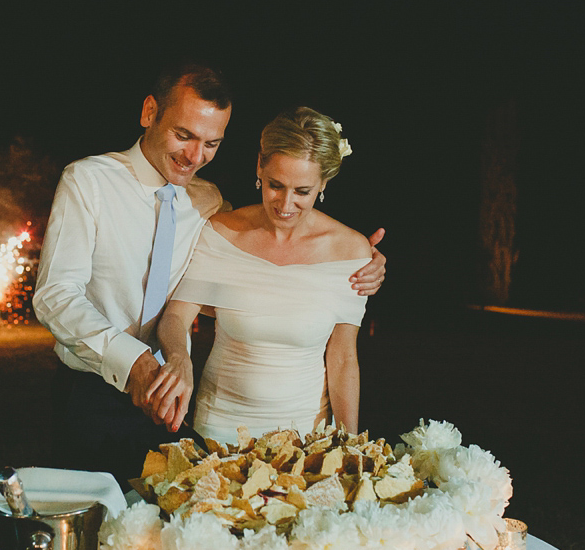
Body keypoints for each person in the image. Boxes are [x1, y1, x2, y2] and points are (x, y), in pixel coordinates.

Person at [33, 63, 385, 485]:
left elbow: (258, 275)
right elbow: (55, 295)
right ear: (149, 113)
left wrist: (364, 264)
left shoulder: (207, 203)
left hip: (174, 397)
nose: (194, 157)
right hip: (94, 392)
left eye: (211, 144)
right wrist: (136, 363)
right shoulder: (88, 181)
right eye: (184, 135)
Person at [147, 106, 372, 445]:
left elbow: (342, 358)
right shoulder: (222, 233)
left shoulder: (351, 252)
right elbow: (176, 316)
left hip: (306, 438)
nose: (285, 203)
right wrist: (179, 357)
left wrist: (351, 444)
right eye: (275, 185)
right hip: (218, 429)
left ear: (323, 183)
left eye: (302, 192)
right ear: (259, 167)